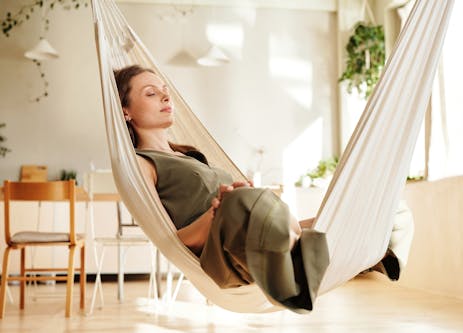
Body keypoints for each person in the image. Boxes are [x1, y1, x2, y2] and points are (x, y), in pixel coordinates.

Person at [113, 65, 413, 313]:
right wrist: (216, 213)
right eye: (151, 93)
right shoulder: (143, 163)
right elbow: (172, 242)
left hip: (257, 230)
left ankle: (366, 255)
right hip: (224, 250)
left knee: (383, 206)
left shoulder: (191, 155)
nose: (165, 96)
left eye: (165, 90)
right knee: (245, 201)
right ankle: (299, 276)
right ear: (126, 112)